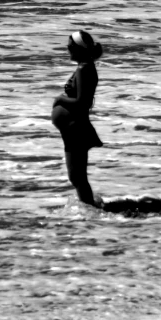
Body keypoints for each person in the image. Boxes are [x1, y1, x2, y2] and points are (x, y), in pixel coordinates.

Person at [51, 30, 104, 205]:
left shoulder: (83, 69)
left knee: (77, 177)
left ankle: (91, 212)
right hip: (73, 128)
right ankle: (89, 208)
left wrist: (60, 99)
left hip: (76, 128)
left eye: (70, 47)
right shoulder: (86, 66)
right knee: (77, 176)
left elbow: (82, 102)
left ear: (79, 48)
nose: (67, 50)